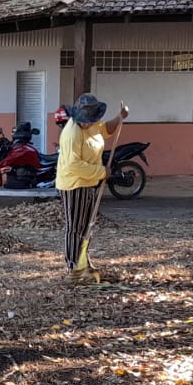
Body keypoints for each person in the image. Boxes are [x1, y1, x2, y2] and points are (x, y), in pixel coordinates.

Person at [56, 93, 128, 284]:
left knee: (87, 226)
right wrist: (102, 171)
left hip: (88, 182)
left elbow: (105, 129)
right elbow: (73, 165)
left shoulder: (93, 124)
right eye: (84, 121)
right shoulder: (72, 133)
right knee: (75, 227)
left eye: (90, 120)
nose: (87, 124)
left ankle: (83, 262)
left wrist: (119, 117)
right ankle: (73, 268)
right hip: (74, 184)